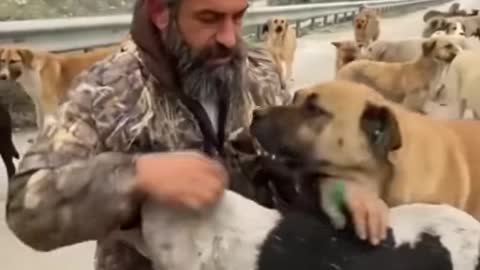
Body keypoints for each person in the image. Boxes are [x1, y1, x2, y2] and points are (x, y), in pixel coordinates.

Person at [5, 0, 388, 269]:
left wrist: (337, 187)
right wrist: (136, 176)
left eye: (238, 17)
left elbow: (289, 166)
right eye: (209, 18)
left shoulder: (260, 73)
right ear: (160, 13)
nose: (229, 37)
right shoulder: (107, 91)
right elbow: (27, 207)